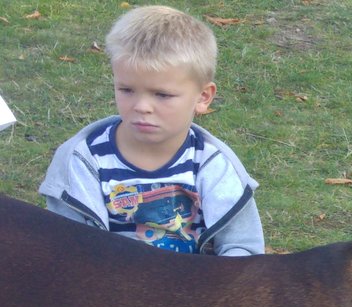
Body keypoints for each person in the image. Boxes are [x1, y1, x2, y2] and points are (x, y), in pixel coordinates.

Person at [39, 5, 264, 256]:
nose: (142, 106)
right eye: (127, 90)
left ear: (203, 97)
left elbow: (242, 250)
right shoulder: (83, 161)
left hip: (196, 280)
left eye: (162, 95)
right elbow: (66, 249)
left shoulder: (214, 165)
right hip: (102, 278)